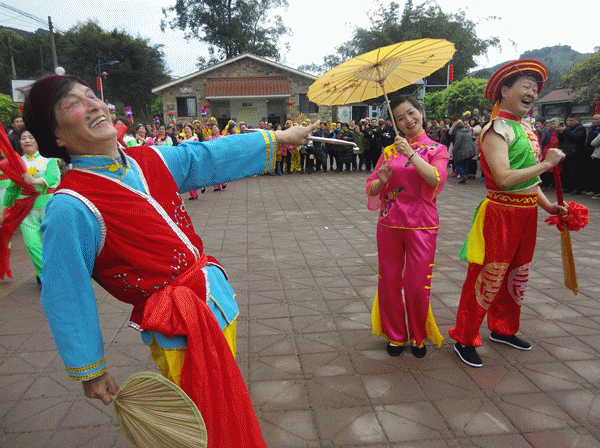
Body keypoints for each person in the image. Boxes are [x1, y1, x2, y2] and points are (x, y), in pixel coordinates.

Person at [23, 73, 317, 448]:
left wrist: (278, 137)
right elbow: (65, 291)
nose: (95, 104)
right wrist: (90, 369)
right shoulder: (69, 205)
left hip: (215, 300)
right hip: (177, 325)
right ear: (57, 136)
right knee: (201, 423)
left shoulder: (148, 159)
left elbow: (208, 155)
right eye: (73, 104)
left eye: (92, 95)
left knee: (226, 402)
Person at [449, 59, 566, 368]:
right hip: (500, 214)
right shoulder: (495, 129)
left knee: (517, 275)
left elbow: (530, 179)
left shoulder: (524, 128)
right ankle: (464, 336)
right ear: (505, 90)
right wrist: (546, 164)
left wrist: (548, 205)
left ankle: (503, 328)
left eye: (535, 89)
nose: (532, 92)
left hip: (527, 214)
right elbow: (503, 178)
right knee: (489, 275)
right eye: (525, 86)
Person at [366, 94, 449, 359]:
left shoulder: (438, 150)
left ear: (421, 112)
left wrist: (411, 153)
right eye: (400, 118)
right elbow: (371, 187)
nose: (407, 121)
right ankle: (395, 335)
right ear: (396, 123)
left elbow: (435, 179)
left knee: (416, 284)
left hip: (422, 226)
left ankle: (417, 334)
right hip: (389, 223)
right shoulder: (388, 152)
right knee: (389, 281)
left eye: (411, 113)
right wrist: (381, 180)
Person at [0, 128, 61, 282]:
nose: (26, 140)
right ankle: (44, 275)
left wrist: (33, 181)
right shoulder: (17, 163)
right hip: (26, 210)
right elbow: (12, 190)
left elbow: (52, 177)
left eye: (31, 137)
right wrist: (3, 210)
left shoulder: (49, 159)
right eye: (23, 138)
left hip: (49, 206)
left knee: (53, 244)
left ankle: (54, 273)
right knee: (33, 246)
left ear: (38, 140)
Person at [558, 115, 586, 195]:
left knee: (575, 171)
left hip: (576, 154)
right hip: (567, 153)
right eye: (568, 121)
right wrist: (561, 132)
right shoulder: (568, 129)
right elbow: (562, 139)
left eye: (571, 121)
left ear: (577, 120)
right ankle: (569, 187)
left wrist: (565, 131)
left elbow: (575, 138)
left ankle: (577, 188)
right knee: (567, 171)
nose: (569, 123)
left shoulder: (580, 128)